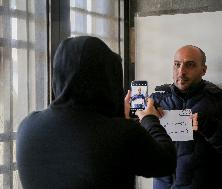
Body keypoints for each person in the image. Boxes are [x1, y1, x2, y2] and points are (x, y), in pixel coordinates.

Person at [16, 36, 176, 189]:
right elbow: (166, 162)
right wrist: (149, 118)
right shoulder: (122, 133)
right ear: (107, 78)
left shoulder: (27, 126)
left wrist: (119, 117)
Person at [151, 45, 222, 189]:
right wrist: (143, 122)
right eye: (177, 64)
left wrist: (211, 128)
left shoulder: (219, 102)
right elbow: (136, 153)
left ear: (203, 70)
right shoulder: (156, 101)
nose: (181, 71)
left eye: (190, 65)